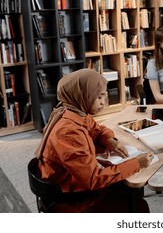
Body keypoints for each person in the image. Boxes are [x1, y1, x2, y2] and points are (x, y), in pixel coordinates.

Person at [35, 69, 153, 212]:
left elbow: (98, 129)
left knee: (129, 189)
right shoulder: (68, 132)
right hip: (72, 198)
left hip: (74, 183)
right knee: (139, 205)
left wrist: (109, 139)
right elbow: (93, 179)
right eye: (99, 97)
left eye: (105, 96)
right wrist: (136, 163)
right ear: (82, 95)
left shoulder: (73, 111)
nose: (104, 103)